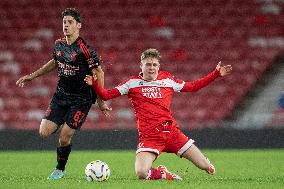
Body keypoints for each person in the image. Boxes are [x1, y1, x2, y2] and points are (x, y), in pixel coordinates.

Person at [84, 48, 232, 181]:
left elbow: (192, 87)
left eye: (154, 65)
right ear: (141, 66)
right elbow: (105, 95)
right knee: (141, 173)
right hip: (150, 137)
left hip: (171, 133)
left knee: (207, 167)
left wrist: (216, 74)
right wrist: (95, 84)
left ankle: (204, 162)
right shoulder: (132, 83)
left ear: (158, 67)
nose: (151, 67)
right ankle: (163, 174)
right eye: (148, 64)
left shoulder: (167, 79)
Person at [16, 8, 111, 180]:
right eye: (64, 22)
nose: (66, 25)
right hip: (60, 96)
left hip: (81, 100)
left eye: (70, 22)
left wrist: (101, 100)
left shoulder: (85, 49)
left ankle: (60, 169)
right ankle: (62, 123)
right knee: (44, 132)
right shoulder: (59, 44)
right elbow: (55, 62)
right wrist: (32, 76)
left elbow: (100, 72)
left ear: (78, 25)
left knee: (65, 136)